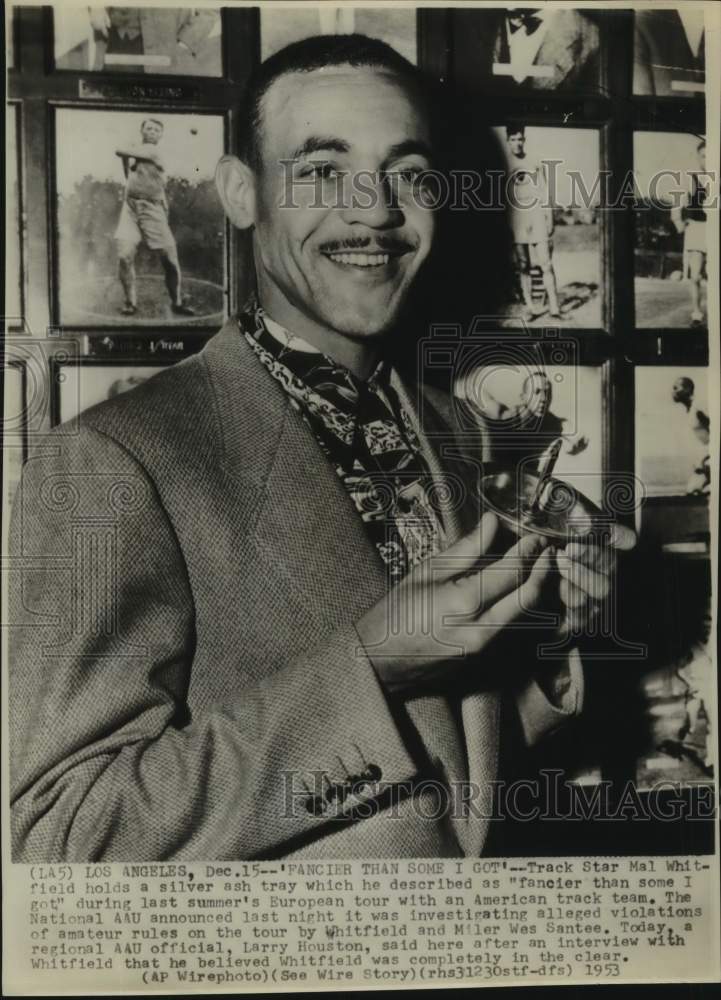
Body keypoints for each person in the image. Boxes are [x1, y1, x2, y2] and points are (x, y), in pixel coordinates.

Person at [9, 35, 634, 862]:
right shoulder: (107, 462)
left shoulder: (463, 434)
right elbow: (62, 836)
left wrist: (553, 638)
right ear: (241, 194)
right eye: (321, 171)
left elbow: (446, 783)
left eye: (408, 173)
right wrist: (371, 667)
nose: (374, 210)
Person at [114, 118, 195, 318]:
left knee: (169, 259)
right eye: (148, 128)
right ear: (141, 130)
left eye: (156, 130)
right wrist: (127, 165)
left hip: (152, 209)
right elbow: (127, 168)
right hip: (130, 207)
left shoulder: (154, 151)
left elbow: (119, 150)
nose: (152, 132)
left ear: (160, 135)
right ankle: (129, 302)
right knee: (124, 255)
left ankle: (177, 301)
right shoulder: (136, 152)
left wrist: (127, 151)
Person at [504, 126, 561, 320]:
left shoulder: (534, 160)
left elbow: (544, 190)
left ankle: (555, 308)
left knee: (546, 262)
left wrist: (549, 216)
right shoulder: (503, 164)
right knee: (523, 265)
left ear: (524, 140)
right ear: (508, 140)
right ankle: (530, 308)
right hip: (517, 217)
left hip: (536, 214)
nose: (517, 143)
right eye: (513, 139)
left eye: (520, 139)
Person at [671, 139, 708, 328]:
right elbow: (677, 201)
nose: (708, 160)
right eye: (704, 156)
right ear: (698, 157)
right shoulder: (691, 178)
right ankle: (697, 312)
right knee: (695, 276)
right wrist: (678, 221)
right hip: (697, 228)